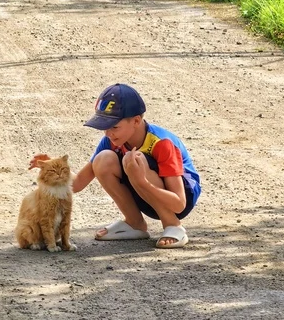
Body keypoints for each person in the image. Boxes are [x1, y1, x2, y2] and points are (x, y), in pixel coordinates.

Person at [31, 84, 201, 249]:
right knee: (102, 159)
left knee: (133, 159)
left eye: (114, 127)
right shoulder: (110, 141)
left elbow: (179, 204)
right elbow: (77, 184)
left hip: (178, 198)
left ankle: (173, 226)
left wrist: (142, 181)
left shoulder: (162, 143)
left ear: (136, 121)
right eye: (104, 127)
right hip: (145, 190)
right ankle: (134, 223)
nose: (108, 133)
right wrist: (51, 166)